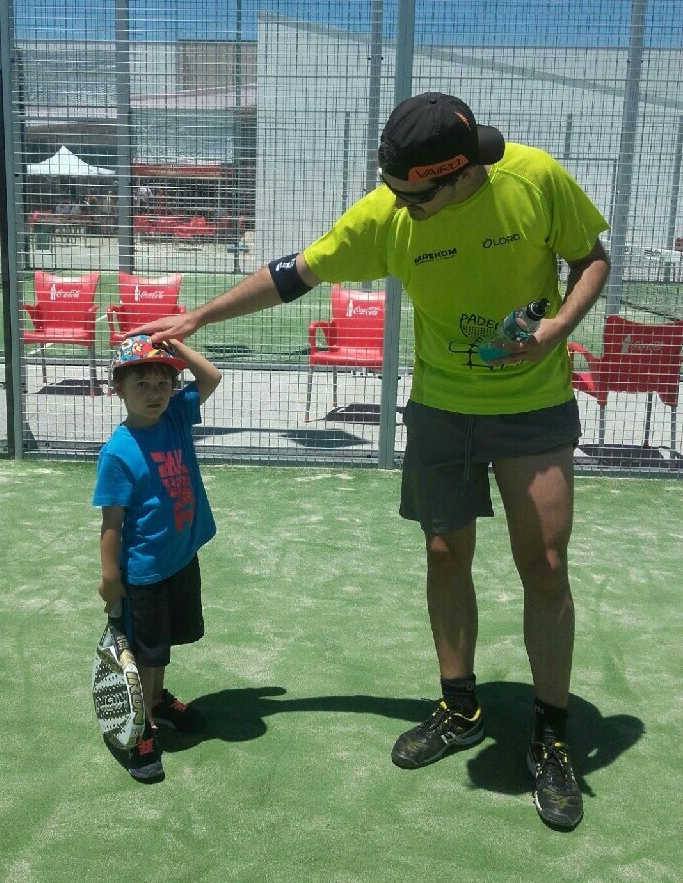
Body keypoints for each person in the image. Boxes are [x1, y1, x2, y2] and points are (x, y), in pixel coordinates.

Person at [130, 92, 610, 826]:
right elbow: (293, 274)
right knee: (445, 553)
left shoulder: (535, 178)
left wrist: (558, 330)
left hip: (532, 405)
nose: (400, 207)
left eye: (415, 196)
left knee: (544, 563)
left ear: (460, 172)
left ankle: (551, 735)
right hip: (444, 406)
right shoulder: (389, 214)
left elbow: (592, 258)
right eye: (393, 191)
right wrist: (198, 316)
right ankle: (459, 705)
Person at [93, 334, 222, 782]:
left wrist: (175, 344)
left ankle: (156, 699)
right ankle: (143, 728)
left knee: (161, 645)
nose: (154, 393)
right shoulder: (117, 452)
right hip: (145, 571)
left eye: (163, 383)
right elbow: (112, 523)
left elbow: (212, 376)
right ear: (119, 390)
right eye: (142, 384)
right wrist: (110, 577)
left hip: (180, 558)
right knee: (146, 653)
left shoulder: (176, 418)